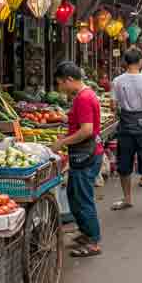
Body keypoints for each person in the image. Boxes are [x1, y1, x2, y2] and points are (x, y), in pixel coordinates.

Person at [50, 61, 103, 257]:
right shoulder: (84, 95)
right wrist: (67, 119)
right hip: (85, 153)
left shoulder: (83, 97)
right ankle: (86, 233)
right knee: (75, 195)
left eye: (60, 83)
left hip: (86, 154)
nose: (60, 88)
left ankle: (93, 241)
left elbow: (87, 130)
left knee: (83, 199)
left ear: (69, 80)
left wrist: (62, 142)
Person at [110, 48, 142, 214]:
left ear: (125, 61)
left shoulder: (117, 81)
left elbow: (113, 105)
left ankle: (127, 199)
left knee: (124, 163)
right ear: (140, 61)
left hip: (125, 124)